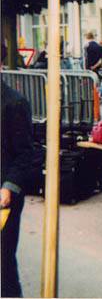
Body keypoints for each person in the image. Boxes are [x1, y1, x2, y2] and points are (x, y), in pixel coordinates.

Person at [1, 42, 33, 297]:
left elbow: (25, 154)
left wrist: (8, 187)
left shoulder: (14, 103)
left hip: (4, 194)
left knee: (3, 262)